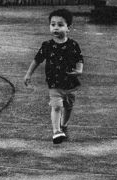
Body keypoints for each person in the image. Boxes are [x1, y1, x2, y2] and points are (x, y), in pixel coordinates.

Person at [24, 9, 84, 144]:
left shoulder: (73, 45)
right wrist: (28, 74)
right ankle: (56, 131)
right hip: (54, 84)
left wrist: (79, 70)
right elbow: (37, 60)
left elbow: (79, 59)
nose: (55, 28)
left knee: (68, 107)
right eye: (52, 24)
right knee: (56, 107)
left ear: (68, 27)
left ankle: (64, 124)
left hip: (70, 84)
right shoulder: (47, 46)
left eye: (60, 25)